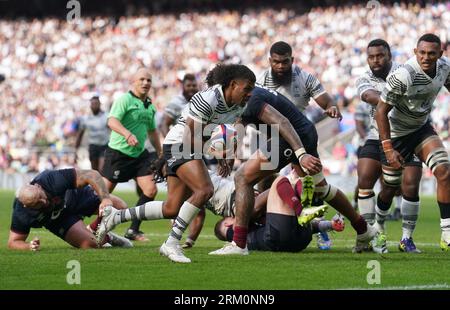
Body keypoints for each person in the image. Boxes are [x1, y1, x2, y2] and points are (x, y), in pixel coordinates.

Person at [208, 85, 377, 256]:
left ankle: (239, 243)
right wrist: (231, 151)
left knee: (242, 177)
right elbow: (241, 123)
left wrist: (301, 155)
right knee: (321, 189)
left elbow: (282, 122)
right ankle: (363, 229)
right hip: (303, 132)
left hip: (289, 138)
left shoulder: (249, 98)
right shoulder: (244, 98)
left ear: (229, 86)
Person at [257, 41, 343, 247]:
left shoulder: (304, 77)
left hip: (299, 138)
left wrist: (331, 107)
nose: (280, 66)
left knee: (310, 185)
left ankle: (320, 227)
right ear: (270, 61)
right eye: (276, 62)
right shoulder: (261, 81)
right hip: (272, 137)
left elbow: (325, 100)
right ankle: (265, 222)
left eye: (284, 62)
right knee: (264, 182)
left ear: (292, 60)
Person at [375, 33, 450, 251]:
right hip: (396, 134)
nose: (426, 57)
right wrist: (388, 148)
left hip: (421, 129)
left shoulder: (444, 67)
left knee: (444, 171)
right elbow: (380, 112)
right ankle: (378, 228)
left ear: (440, 54)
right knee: (390, 187)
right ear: (415, 52)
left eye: (432, 54)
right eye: (422, 53)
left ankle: (446, 233)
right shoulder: (403, 75)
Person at [355, 39, 423, 253]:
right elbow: (368, 95)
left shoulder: (404, 72)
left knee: (409, 184)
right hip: (377, 136)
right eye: (371, 56)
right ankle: (369, 235)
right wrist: (392, 98)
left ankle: (406, 239)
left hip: (407, 135)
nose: (375, 60)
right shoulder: (364, 78)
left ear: (389, 56)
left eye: (380, 55)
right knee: (365, 176)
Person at [101, 67, 161, 242]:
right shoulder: (124, 100)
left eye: (148, 80)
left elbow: (152, 131)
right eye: (141, 79)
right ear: (133, 81)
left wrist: (160, 153)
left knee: (151, 189)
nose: (145, 83)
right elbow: (111, 121)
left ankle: (133, 230)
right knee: (102, 195)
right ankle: (85, 225)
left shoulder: (149, 105)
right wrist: (127, 134)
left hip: (139, 155)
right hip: (118, 154)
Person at [213, 174, 344, 253]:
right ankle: (302, 205)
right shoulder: (231, 231)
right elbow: (252, 210)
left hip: (297, 240)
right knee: (280, 182)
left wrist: (330, 225)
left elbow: (295, 225)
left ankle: (302, 201)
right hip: (279, 237)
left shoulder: (252, 228)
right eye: (229, 217)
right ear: (226, 223)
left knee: (294, 186)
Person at [8, 168, 132, 251]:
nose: (44, 202)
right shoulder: (21, 212)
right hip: (60, 219)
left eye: (41, 196)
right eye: (37, 203)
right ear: (27, 206)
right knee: (91, 245)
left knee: (120, 207)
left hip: (75, 197)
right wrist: (29, 246)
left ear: (38, 187)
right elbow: (13, 242)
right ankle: (107, 237)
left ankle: (94, 228)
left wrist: (105, 198)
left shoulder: (51, 179)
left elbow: (91, 174)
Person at [75, 96, 110, 172]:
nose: (94, 105)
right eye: (92, 104)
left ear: (99, 104)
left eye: (96, 103)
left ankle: (103, 182)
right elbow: (80, 134)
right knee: (94, 170)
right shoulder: (86, 119)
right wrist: (76, 149)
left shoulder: (106, 116)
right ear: (90, 105)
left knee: (102, 169)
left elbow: (113, 129)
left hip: (104, 146)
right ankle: (96, 183)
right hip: (93, 146)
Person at [160, 74, 199, 138]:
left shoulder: (201, 101)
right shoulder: (175, 102)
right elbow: (164, 124)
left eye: (194, 85)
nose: (191, 88)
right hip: (182, 145)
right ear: (183, 87)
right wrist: (170, 144)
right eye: (188, 86)